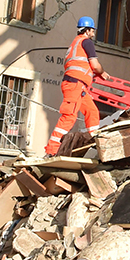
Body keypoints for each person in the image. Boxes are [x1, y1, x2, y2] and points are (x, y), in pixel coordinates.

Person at [45, 16, 107, 156]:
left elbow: (78, 65)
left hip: (78, 86)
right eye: (92, 30)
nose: (93, 33)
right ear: (88, 30)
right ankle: (52, 149)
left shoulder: (74, 44)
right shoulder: (87, 42)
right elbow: (95, 65)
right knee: (69, 116)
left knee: (92, 112)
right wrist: (102, 73)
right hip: (75, 85)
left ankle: (94, 143)